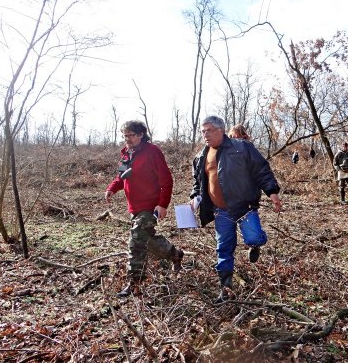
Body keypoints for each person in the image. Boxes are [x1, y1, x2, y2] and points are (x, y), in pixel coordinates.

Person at [190, 116, 282, 303]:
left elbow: (261, 169)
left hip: (244, 207)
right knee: (223, 249)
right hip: (220, 211)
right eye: (202, 131)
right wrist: (194, 198)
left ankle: (256, 245)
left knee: (254, 237)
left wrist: (272, 191)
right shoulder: (201, 156)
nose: (205, 134)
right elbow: (198, 183)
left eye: (209, 130)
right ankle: (226, 290)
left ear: (220, 130)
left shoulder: (241, 147)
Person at [105, 120, 184, 297]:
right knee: (147, 240)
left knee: (136, 242)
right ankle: (175, 254)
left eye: (131, 135)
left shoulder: (152, 152)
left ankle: (134, 284)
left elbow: (166, 180)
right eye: (125, 136)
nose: (127, 139)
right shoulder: (126, 154)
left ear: (141, 135)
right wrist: (111, 189)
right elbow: (121, 177)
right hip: (134, 206)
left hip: (150, 206)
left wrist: (162, 204)